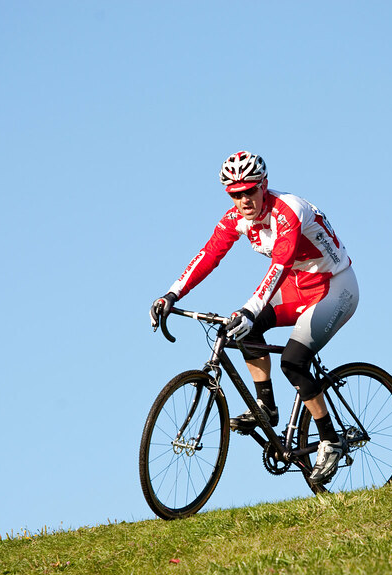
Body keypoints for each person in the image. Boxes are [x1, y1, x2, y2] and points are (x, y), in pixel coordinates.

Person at [149, 151, 359, 482]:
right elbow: (208, 255)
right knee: (244, 329)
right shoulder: (236, 217)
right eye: (236, 194)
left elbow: (280, 263)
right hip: (297, 287)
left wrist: (250, 308)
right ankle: (267, 408)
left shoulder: (289, 211)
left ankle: (330, 442)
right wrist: (171, 293)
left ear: (264, 186)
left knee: (293, 361)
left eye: (250, 191)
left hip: (334, 288)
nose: (244, 200)